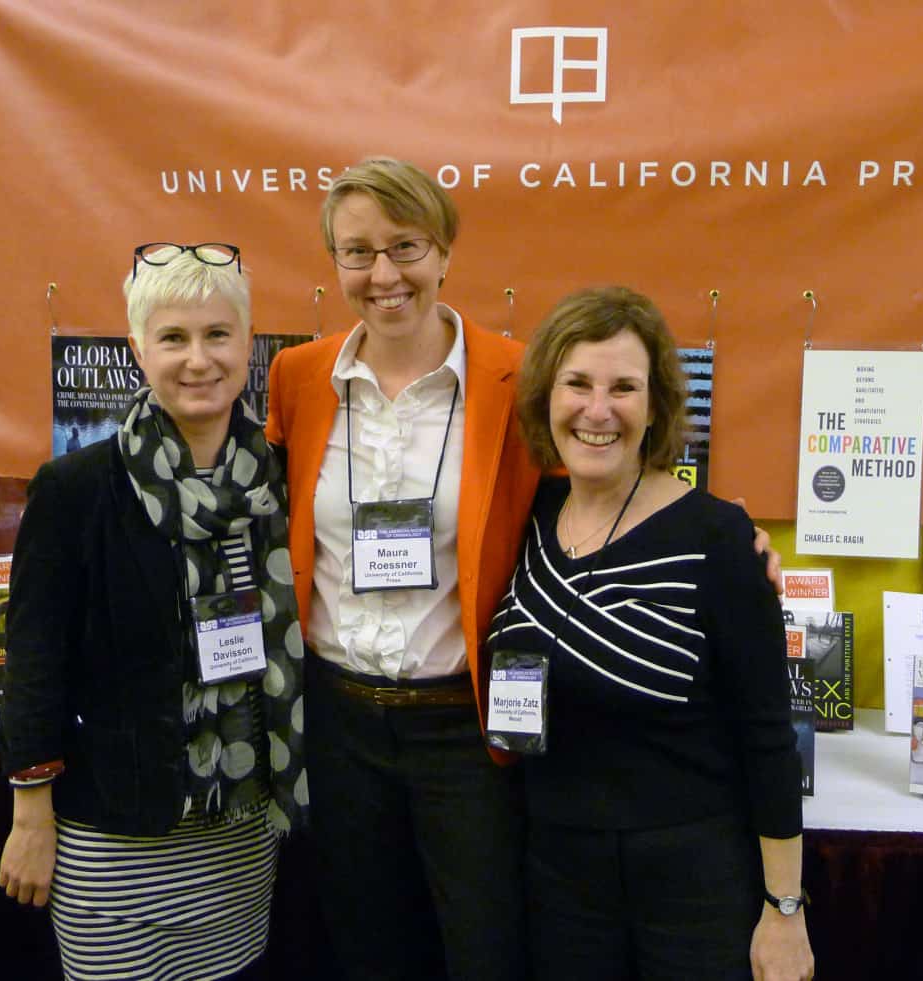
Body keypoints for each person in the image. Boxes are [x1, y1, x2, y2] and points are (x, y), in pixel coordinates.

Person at [266, 157, 784, 981]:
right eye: (357, 251)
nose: (383, 273)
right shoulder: (299, 377)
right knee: (365, 947)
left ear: (444, 254)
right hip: (339, 721)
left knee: (486, 949)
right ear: (333, 262)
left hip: (465, 726)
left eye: (406, 246)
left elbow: (604, 476)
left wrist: (726, 534)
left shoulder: (517, 379)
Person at [0, 243, 308, 981]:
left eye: (216, 334)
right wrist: (30, 813)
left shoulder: (279, 482)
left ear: (248, 344)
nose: (198, 358)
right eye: (173, 337)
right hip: (115, 837)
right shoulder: (76, 489)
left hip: (239, 835)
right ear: (139, 349)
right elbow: (35, 658)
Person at [486, 286, 814, 981]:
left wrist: (785, 908)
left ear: (657, 405)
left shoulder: (717, 537)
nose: (597, 410)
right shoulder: (526, 514)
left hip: (691, 876)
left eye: (623, 388)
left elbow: (767, 734)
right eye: (577, 383)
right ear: (547, 393)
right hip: (557, 872)